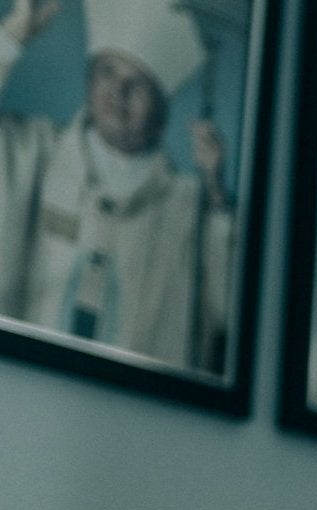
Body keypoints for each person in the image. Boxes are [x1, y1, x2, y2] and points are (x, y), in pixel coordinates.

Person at [0, 0, 233, 371]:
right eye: (107, 72)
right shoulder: (34, 152)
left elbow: (230, 307)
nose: (118, 92)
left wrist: (217, 197)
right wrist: (11, 37)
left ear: (161, 115)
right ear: (89, 82)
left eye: (137, 84)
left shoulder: (188, 206)